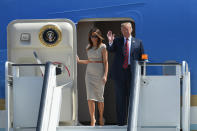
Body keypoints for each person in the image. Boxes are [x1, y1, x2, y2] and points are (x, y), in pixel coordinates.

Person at [107, 22, 144, 126]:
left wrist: (142, 72)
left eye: (127, 29)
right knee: (120, 98)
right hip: (119, 74)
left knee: (132, 97)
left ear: (131, 29)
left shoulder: (138, 42)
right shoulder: (117, 41)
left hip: (132, 74)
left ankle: (132, 122)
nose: (125, 32)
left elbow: (142, 57)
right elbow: (110, 49)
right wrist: (110, 41)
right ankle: (121, 123)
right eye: (123, 30)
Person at [77, 28, 108, 126]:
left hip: (99, 73)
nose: (93, 38)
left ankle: (101, 117)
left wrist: (105, 75)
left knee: (100, 97)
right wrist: (79, 61)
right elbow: (89, 61)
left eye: (95, 36)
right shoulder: (88, 47)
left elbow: (106, 62)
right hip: (89, 74)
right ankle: (93, 119)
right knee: (90, 97)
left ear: (98, 37)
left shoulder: (103, 47)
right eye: (91, 36)